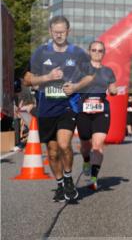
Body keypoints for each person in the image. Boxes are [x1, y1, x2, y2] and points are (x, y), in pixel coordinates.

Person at [22, 15, 94, 202]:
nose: (59, 35)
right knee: (53, 152)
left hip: (67, 106)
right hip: (46, 108)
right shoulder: (40, 53)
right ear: (50, 32)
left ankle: (69, 178)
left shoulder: (77, 53)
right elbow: (28, 79)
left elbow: (91, 76)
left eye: (62, 32)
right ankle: (60, 184)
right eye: (56, 32)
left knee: (64, 144)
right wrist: (47, 77)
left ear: (68, 31)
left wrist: (76, 87)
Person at [76, 41, 117, 190]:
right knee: (85, 145)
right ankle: (86, 160)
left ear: (104, 53)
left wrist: (113, 90)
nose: (97, 53)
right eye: (94, 50)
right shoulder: (81, 69)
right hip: (83, 110)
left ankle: (93, 179)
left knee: (98, 145)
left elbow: (113, 88)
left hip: (101, 110)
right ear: (89, 51)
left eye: (100, 51)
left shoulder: (108, 71)